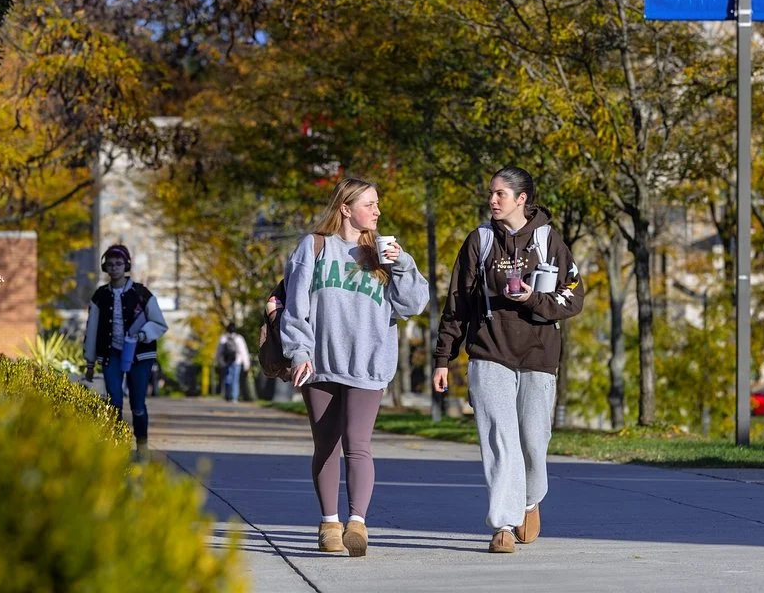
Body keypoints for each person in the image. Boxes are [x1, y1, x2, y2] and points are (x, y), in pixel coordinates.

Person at [433, 166, 584, 554]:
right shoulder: (479, 241)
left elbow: (573, 297)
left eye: (501, 194)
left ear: (522, 199)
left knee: (534, 441)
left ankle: (530, 500)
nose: (492, 200)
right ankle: (501, 523)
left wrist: (532, 299)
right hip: (489, 351)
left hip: (538, 354)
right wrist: (443, 356)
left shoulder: (549, 241)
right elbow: (457, 303)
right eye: (490, 193)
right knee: (500, 439)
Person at [281, 177, 429, 558]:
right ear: (346, 208)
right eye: (370, 204)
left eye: (378, 204)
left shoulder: (385, 254)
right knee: (325, 445)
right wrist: (299, 352)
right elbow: (296, 308)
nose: (378, 211)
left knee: (358, 444)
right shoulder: (313, 247)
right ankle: (329, 523)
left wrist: (403, 264)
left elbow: (413, 305)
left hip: (368, 363)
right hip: (320, 364)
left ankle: (357, 523)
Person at [84, 244, 168, 456]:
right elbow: (92, 328)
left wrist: (143, 334)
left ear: (126, 265)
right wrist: (90, 362)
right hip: (110, 354)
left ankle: (142, 447)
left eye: (119, 264)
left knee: (138, 402)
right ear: (105, 267)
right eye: (110, 264)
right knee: (114, 402)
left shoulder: (141, 293)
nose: (114, 268)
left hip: (140, 355)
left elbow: (159, 323)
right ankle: (116, 447)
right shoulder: (100, 296)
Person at [216, 322, 251, 402]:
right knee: (235, 380)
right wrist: (246, 364)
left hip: (226, 361)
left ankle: (227, 395)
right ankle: (234, 397)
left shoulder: (223, 338)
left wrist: (219, 361)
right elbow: (243, 352)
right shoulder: (239, 338)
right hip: (237, 362)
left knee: (227, 378)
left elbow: (219, 351)